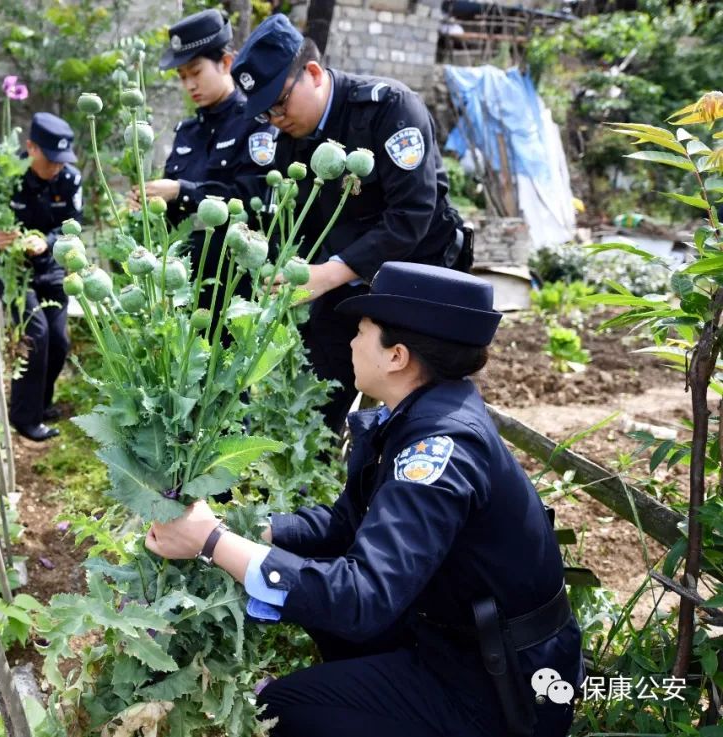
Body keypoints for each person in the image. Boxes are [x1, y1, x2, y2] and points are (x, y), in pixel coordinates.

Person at [145, 262, 583, 737]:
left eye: (361, 331)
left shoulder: (440, 448)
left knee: (277, 710)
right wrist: (249, 530)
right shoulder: (423, 414)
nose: (351, 343)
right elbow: (347, 527)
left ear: (396, 356)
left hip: (503, 688)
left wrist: (212, 543)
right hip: (459, 640)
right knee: (320, 581)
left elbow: (363, 597)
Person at [230, 15, 474, 433]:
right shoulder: (291, 140)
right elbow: (301, 220)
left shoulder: (390, 108)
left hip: (418, 279)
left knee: (420, 408)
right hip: (344, 280)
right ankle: (319, 464)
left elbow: (411, 216)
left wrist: (328, 274)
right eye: (265, 112)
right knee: (316, 400)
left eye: (280, 102)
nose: (275, 118)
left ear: (312, 73)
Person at [129, 8, 276, 315]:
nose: (189, 85)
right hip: (182, 281)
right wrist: (149, 201)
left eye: (196, 73)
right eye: (182, 77)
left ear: (227, 63)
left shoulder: (255, 124)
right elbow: (172, 210)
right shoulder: (187, 131)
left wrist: (181, 190)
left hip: (235, 283)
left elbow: (254, 198)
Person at [0, 112, 82, 442]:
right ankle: (25, 418)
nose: (57, 166)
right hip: (13, 270)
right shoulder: (3, 176)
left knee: (58, 341)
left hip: (51, 266)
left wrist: (47, 241)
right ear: (31, 148)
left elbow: (73, 225)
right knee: (35, 334)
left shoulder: (70, 179)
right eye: (51, 159)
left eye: (62, 159)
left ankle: (41, 404)